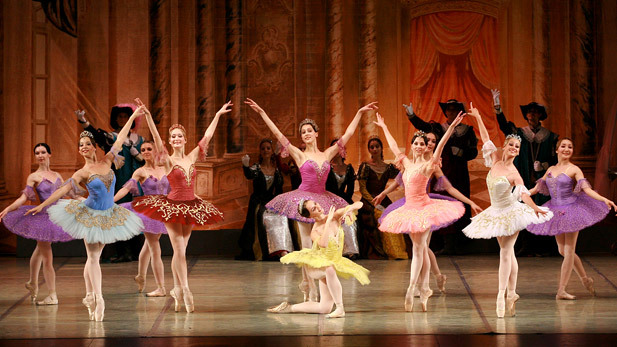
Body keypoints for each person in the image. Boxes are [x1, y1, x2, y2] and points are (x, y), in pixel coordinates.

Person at [244, 98, 377, 302]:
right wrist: (262, 112)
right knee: (306, 245)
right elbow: (277, 133)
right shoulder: (298, 154)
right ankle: (311, 287)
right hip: (303, 201)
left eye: (309, 130)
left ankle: (313, 283)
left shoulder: (327, 154)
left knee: (320, 244)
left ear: (316, 133)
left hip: (323, 199)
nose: (306, 134)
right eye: (303, 132)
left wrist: (359, 112)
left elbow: (348, 134)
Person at [26, 107, 146, 322]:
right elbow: (63, 190)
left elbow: (119, 140)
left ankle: (90, 295)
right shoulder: (81, 173)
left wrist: (135, 114)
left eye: (87, 144)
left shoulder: (108, 160)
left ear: (94, 147)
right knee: (93, 258)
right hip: (90, 214)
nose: (83, 148)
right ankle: (99, 299)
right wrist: (41, 205)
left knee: (95, 258)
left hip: (109, 214)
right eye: (80, 145)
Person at [132, 98, 231, 313]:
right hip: (173, 206)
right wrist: (148, 116)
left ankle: (177, 288)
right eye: (173, 136)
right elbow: (157, 140)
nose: (176, 139)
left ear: (185, 140)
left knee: (181, 251)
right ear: (171, 140)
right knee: (179, 250)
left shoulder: (192, 157)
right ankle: (185, 289)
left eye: (179, 136)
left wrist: (217, 115)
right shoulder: (167, 160)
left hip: (191, 206)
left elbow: (208, 137)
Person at [463, 103, 552, 318]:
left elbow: (523, 194)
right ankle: (512, 293)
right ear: (504, 145)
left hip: (512, 213)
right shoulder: (494, 159)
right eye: (511, 145)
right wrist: (477, 116)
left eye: (517, 147)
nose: (514, 149)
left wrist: (535, 208)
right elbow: (485, 138)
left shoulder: (515, 173)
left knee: (505, 252)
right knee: (508, 252)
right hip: (496, 212)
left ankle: (501, 295)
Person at [375, 112, 466, 312]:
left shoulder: (427, 165)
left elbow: (440, 145)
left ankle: (413, 288)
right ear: (412, 145)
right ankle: (422, 288)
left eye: (421, 144)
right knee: (419, 249)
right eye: (415, 143)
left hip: (425, 209)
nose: (418, 146)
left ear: (425, 147)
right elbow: (391, 145)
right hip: (409, 210)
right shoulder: (406, 164)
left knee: (420, 249)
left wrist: (451, 127)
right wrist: (384, 127)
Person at [527, 138, 617, 299]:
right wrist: (519, 194)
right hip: (555, 210)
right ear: (557, 150)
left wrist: (603, 199)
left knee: (569, 251)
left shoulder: (574, 169)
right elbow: (535, 189)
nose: (567, 149)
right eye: (563, 146)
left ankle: (561, 290)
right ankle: (585, 279)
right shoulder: (550, 170)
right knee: (562, 250)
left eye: (570, 146)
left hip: (572, 210)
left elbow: (587, 189)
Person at [267, 201, 369, 318]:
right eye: (314, 208)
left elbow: (359, 204)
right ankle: (340, 308)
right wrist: (328, 221)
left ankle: (289, 307)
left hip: (332, 262)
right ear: (310, 216)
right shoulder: (315, 231)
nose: (318, 207)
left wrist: (350, 209)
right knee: (330, 269)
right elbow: (324, 243)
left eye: (316, 204)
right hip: (317, 265)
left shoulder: (335, 215)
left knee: (324, 308)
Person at [0, 143, 73, 305]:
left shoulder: (57, 175)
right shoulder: (34, 176)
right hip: (43, 218)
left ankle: (33, 282)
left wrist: (88, 203)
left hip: (57, 217)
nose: (40, 155)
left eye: (43, 152)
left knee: (40, 250)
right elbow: (23, 198)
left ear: (49, 154)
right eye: (37, 153)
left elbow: (68, 194)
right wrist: (9, 208)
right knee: (47, 256)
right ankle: (52, 295)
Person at [491, 89, 559, 256]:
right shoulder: (520, 134)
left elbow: (556, 161)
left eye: (535, 112)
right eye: (529, 112)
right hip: (524, 177)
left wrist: (545, 165)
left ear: (540, 115)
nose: (532, 115)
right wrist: (498, 107)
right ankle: (526, 245)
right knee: (523, 209)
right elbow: (505, 128)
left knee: (542, 208)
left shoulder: (550, 137)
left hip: (542, 179)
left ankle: (544, 247)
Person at [405, 100, 478, 254]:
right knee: (442, 202)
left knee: (460, 202)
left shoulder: (468, 130)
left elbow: (474, 152)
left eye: (455, 110)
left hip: (459, 173)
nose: (451, 113)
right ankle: (445, 243)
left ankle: (461, 243)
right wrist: (412, 115)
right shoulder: (438, 128)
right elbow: (423, 127)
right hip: (443, 172)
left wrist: (462, 153)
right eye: (449, 110)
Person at [76, 104, 146, 263]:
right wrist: (83, 121)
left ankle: (137, 252)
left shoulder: (140, 140)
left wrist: (138, 156)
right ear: (115, 119)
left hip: (135, 183)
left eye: (125, 117)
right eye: (119, 116)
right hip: (119, 180)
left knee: (135, 216)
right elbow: (97, 136)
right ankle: (121, 252)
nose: (122, 119)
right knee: (118, 215)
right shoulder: (112, 137)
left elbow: (146, 161)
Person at [114, 141, 170, 297]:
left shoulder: (165, 168)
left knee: (149, 243)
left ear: (155, 151)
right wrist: (111, 201)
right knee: (154, 246)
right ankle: (161, 287)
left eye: (149, 149)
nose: (145, 151)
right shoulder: (140, 171)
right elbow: (126, 188)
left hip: (164, 210)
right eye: (143, 149)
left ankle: (140, 276)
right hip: (148, 212)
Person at [236, 138, 290, 260]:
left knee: (281, 217)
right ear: (260, 151)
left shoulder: (276, 171)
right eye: (263, 148)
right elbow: (250, 175)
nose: (265, 150)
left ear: (272, 151)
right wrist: (245, 166)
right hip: (258, 201)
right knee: (262, 215)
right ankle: (262, 250)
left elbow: (279, 190)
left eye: (268, 148)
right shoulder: (257, 168)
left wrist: (279, 205)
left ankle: (280, 250)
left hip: (271, 201)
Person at [357, 136, 406, 259]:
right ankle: (386, 251)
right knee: (380, 216)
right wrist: (373, 202)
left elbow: (401, 177)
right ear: (369, 149)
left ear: (381, 148)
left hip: (383, 198)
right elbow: (362, 188)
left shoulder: (388, 167)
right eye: (372, 147)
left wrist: (402, 165)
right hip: (369, 200)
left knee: (394, 214)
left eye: (377, 146)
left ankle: (398, 251)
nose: (374, 149)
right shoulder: (365, 166)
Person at [325, 138, 359, 258]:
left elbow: (349, 191)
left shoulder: (348, 168)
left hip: (344, 201)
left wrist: (344, 204)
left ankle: (350, 251)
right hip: (327, 201)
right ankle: (335, 251)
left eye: (339, 146)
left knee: (349, 218)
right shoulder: (327, 167)